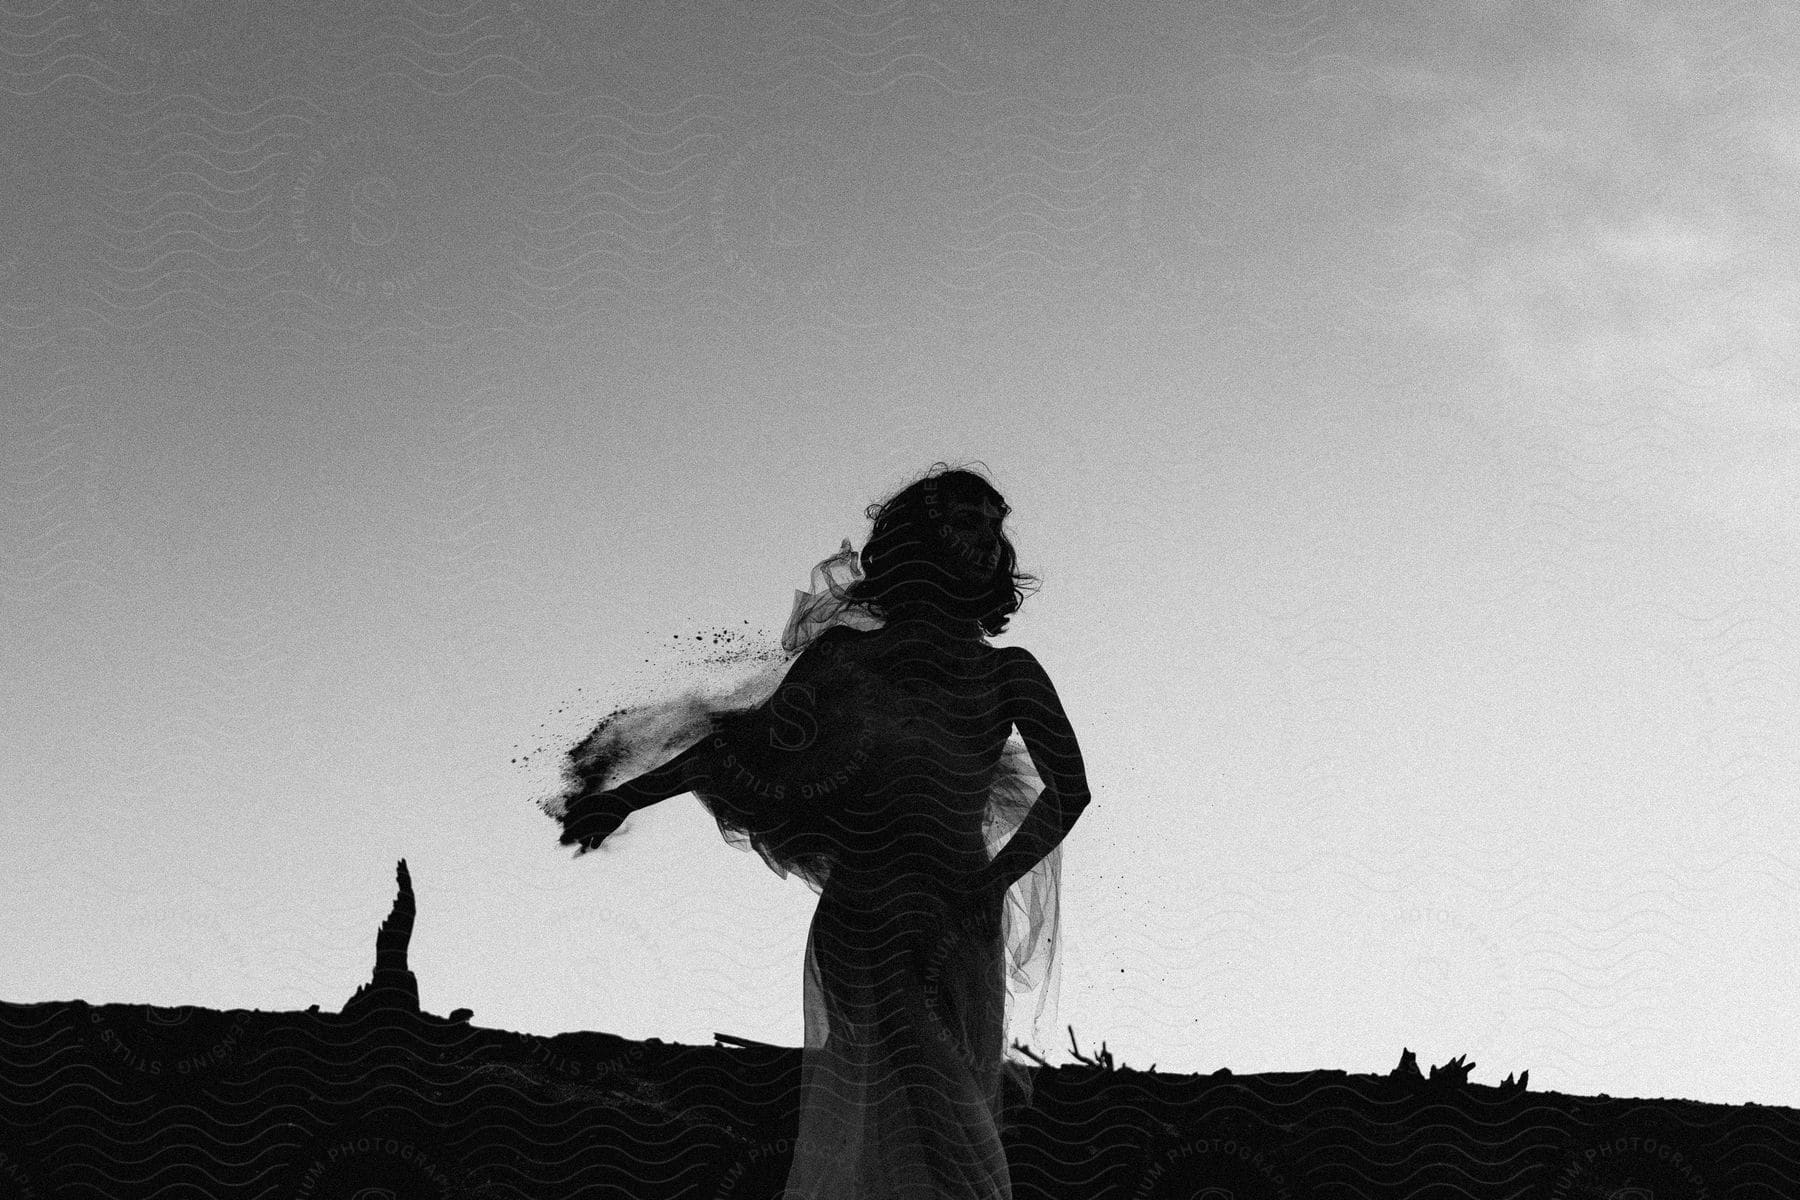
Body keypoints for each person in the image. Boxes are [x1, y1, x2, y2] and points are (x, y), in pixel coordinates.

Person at [546, 463, 1092, 1200]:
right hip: (864, 914)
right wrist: (624, 799)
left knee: (946, 1112)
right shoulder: (844, 658)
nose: (988, 540)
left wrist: (987, 887)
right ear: (919, 541)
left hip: (956, 922)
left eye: (996, 526)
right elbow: (743, 748)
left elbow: (1070, 792)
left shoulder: (1009, 674)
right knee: (924, 1111)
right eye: (967, 521)